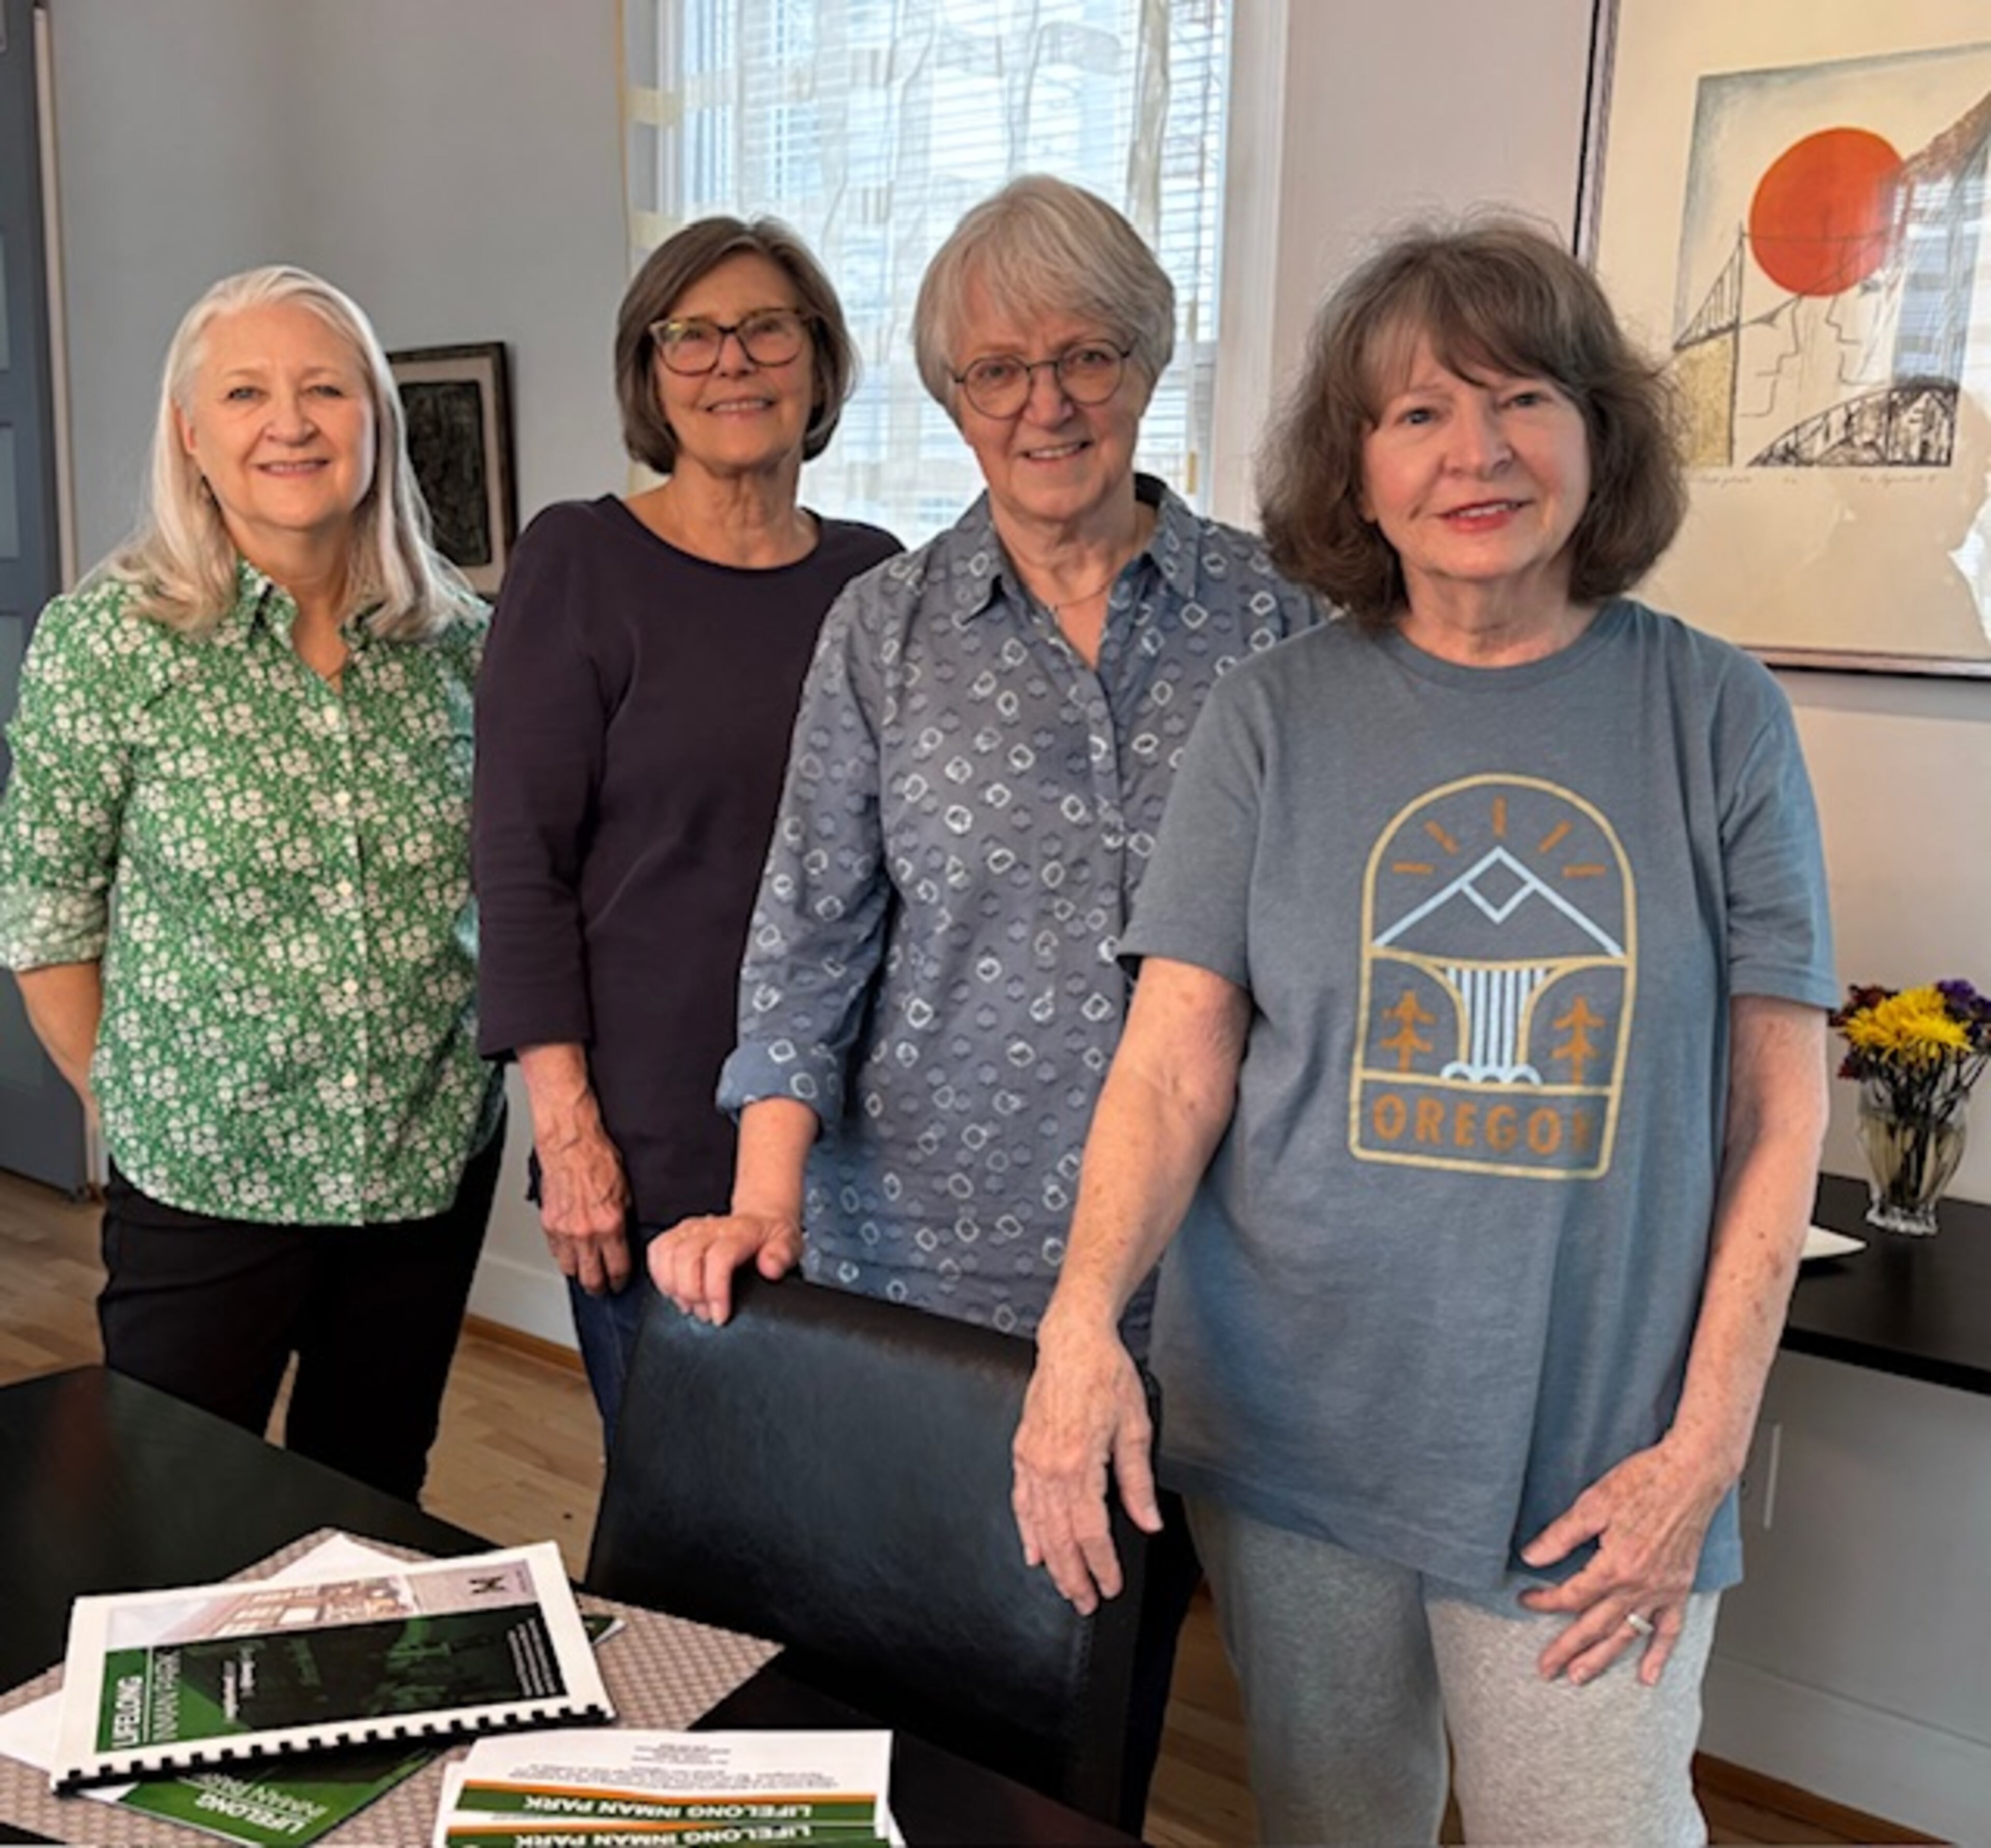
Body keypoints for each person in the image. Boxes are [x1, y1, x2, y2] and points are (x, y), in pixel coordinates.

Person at [1010, 219, 1836, 1846]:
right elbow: (1173, 1063)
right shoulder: (1269, 717)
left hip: (1600, 1447)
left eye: (1524, 396)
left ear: (1599, 435)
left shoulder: (1716, 713)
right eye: (1417, 412)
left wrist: (1704, 1450)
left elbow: (1779, 1109)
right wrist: (1081, 1319)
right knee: (1339, 1823)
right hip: (1297, 1423)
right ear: (1359, 468)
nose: (1479, 451)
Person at [649, 174, 1321, 1829]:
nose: (1046, 403)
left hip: (1204, 1276)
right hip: (925, 1270)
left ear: (1149, 362)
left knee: (1107, 1706)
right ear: (951, 395)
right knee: (911, 1696)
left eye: (1087, 355)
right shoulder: (882, 631)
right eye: (998, 369)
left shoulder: (1277, 619)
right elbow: (809, 936)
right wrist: (764, 1202)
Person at [0, 266, 503, 1503]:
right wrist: (142, 1105)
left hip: (424, 1161)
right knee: (167, 1509)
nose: (291, 423)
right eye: (245, 393)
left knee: (373, 1496)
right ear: (190, 433)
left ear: (374, 419)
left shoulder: (460, 644)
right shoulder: (109, 644)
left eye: (325, 389)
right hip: (206, 1176)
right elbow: (46, 916)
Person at [472, 218, 899, 1441]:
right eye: (693, 337)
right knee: (700, 1506)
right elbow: (519, 865)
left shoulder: (878, 581)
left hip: (859, 1140)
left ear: (819, 359)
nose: (734, 363)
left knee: (858, 1504)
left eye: (767, 330)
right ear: (649, 373)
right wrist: (569, 1134)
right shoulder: (580, 561)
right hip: (651, 1133)